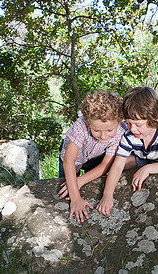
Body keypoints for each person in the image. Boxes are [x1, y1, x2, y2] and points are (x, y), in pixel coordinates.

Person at [96, 86, 158, 215]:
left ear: (155, 118)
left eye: (138, 124)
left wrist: (148, 169)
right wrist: (107, 194)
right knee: (116, 162)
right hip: (141, 159)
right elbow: (118, 165)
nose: (132, 129)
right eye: (128, 123)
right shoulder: (129, 135)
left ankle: (145, 165)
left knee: (139, 163)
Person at [58, 89, 127, 223]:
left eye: (109, 130)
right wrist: (76, 198)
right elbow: (69, 161)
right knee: (65, 188)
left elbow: (105, 164)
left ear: (119, 122)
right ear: (88, 122)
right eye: (96, 130)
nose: (103, 136)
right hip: (73, 158)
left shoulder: (120, 131)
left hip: (96, 157)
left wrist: (81, 181)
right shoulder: (80, 126)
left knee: (89, 183)